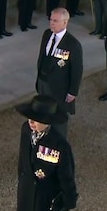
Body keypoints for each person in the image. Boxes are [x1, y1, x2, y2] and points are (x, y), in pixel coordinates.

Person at [13, 94, 78, 211]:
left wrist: (67, 201)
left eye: (37, 119)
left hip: (47, 198)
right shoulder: (26, 130)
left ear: (49, 121)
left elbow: (67, 176)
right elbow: (23, 159)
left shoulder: (59, 145)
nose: (31, 122)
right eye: (30, 118)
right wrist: (22, 181)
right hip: (27, 191)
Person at [36, 8, 83, 138]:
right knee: (44, 112)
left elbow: (77, 70)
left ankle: (59, 142)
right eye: (51, 20)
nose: (52, 23)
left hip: (59, 89)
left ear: (65, 22)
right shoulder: (46, 34)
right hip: (43, 83)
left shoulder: (73, 44)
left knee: (58, 118)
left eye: (55, 21)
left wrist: (72, 92)